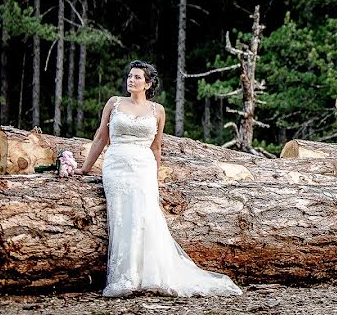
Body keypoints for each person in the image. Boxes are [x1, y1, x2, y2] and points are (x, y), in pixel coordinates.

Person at [77, 60, 242, 297]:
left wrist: (154, 180)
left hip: (143, 168)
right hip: (117, 165)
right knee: (122, 216)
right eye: (130, 76)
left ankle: (151, 274)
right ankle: (126, 276)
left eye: (137, 77)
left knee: (145, 216)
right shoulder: (114, 103)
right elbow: (101, 137)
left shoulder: (158, 110)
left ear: (148, 83)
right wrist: (85, 168)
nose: (131, 80)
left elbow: (156, 148)